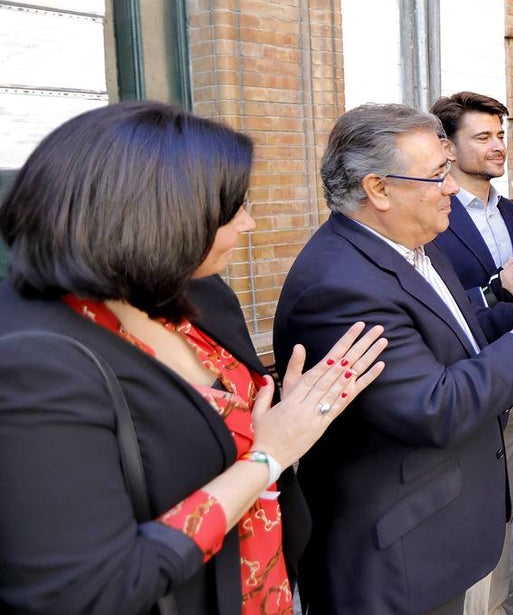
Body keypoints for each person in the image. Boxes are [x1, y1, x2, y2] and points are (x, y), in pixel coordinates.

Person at [0, 101, 387, 615]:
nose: (249, 224)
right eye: (232, 209)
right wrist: (269, 455)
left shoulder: (199, 294)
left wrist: (281, 413)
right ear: (158, 217)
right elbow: (93, 589)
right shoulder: (33, 359)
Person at [273, 103, 513, 615]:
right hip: (396, 561)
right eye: (437, 175)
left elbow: (458, 337)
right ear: (378, 189)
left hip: (440, 529)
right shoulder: (339, 286)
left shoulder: (417, 240)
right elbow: (433, 407)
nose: (451, 188)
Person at [429, 91, 513, 615]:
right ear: (447, 147)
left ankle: (496, 604)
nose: (498, 147)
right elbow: (432, 304)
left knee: (506, 508)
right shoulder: (434, 216)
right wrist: (496, 287)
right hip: (464, 387)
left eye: (500, 136)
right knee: (469, 516)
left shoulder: (509, 211)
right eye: (483, 137)